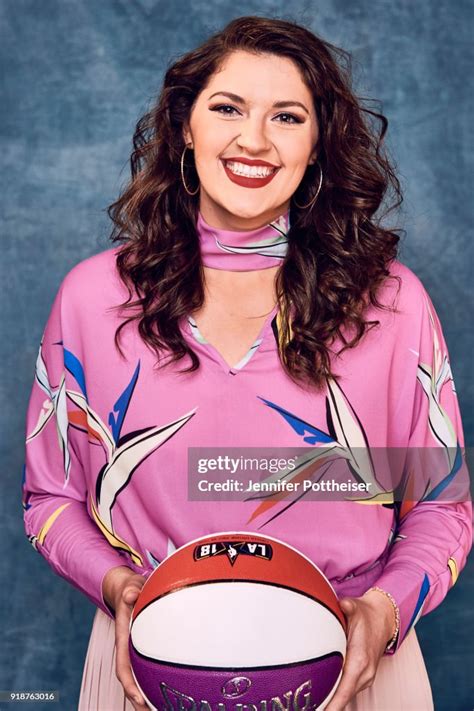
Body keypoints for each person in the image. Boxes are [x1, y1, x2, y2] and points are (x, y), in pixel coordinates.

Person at [22, 15, 471, 711]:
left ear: (318, 144)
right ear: (185, 127)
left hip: (354, 672)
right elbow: (49, 499)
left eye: (287, 116)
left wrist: (382, 612)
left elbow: (442, 507)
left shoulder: (391, 305)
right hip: (149, 669)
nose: (254, 138)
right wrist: (118, 587)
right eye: (228, 107)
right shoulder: (93, 299)